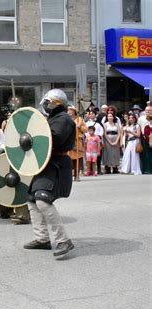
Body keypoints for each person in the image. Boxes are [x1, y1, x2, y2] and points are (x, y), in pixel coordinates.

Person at [23, 89, 75, 260]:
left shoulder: (64, 119)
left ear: (56, 103)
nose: (45, 106)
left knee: (43, 201)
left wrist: (31, 136)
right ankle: (42, 239)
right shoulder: (52, 118)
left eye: (47, 102)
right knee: (32, 200)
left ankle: (63, 240)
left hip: (57, 164)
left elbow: (54, 138)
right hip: (45, 163)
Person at [67, 106, 87, 180]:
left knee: (78, 158)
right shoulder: (67, 119)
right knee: (70, 159)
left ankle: (77, 175)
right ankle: (70, 175)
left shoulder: (80, 119)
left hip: (78, 141)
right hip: (70, 141)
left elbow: (86, 130)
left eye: (71, 110)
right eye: (68, 110)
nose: (69, 112)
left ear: (74, 111)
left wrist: (79, 127)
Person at [86, 109, 104, 174]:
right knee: (89, 157)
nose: (91, 115)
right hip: (89, 141)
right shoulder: (86, 123)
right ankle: (90, 170)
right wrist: (89, 136)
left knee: (97, 156)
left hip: (96, 141)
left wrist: (97, 136)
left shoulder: (98, 124)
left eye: (92, 114)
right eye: (90, 114)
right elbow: (85, 132)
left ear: (95, 115)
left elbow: (101, 131)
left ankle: (98, 169)